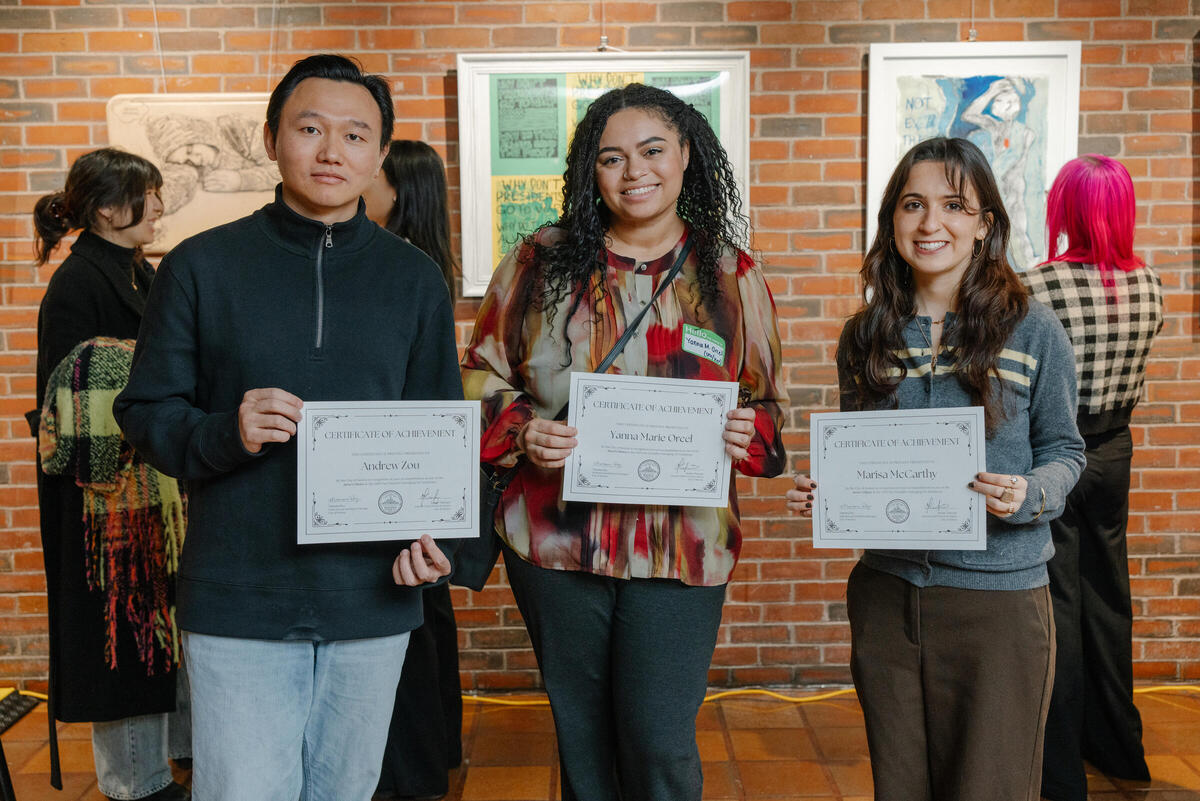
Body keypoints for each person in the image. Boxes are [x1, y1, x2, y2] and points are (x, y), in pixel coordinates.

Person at [113, 54, 460, 801]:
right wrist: (226, 433)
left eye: (356, 135)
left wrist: (439, 542)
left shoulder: (413, 280)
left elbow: (441, 432)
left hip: (372, 596)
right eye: (310, 128)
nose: (332, 151)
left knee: (346, 790)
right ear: (272, 138)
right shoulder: (201, 266)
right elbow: (144, 413)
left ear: (378, 152)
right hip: (241, 594)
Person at [460, 83, 788, 801]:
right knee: (583, 742)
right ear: (590, 172)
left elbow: (766, 411)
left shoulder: (732, 276)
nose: (633, 171)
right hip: (556, 541)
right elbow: (477, 376)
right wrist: (524, 430)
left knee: (660, 742)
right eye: (610, 158)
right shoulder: (538, 262)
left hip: (684, 544)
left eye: (651, 151)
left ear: (686, 156)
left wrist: (746, 431)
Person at [787, 136, 1085, 801]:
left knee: (990, 789)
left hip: (997, 604)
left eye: (954, 205)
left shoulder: (1033, 330)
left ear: (984, 222)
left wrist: (1028, 492)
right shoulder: (865, 336)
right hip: (886, 597)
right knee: (900, 787)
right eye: (913, 204)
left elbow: (1066, 452)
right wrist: (827, 487)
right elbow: (858, 450)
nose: (931, 224)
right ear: (892, 219)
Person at [32, 147, 191, 801]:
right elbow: (70, 394)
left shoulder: (135, 269)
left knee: (156, 629)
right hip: (102, 501)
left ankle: (167, 764)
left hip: (146, 489)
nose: (158, 206)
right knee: (120, 634)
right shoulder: (77, 284)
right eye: (146, 194)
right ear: (105, 208)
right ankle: (135, 782)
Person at [1021, 155, 1162, 801]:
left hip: (1053, 453)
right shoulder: (1150, 284)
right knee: (1109, 594)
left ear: (1064, 209)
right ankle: (1118, 746)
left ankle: (1058, 764)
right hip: (1114, 453)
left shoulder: (1036, 286)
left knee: (1056, 601)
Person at [364, 139, 463, 801]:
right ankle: (434, 751)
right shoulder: (425, 263)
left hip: (389, 470)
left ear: (397, 191)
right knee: (424, 620)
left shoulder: (400, 272)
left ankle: (412, 767)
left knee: (406, 621)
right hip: (411, 473)